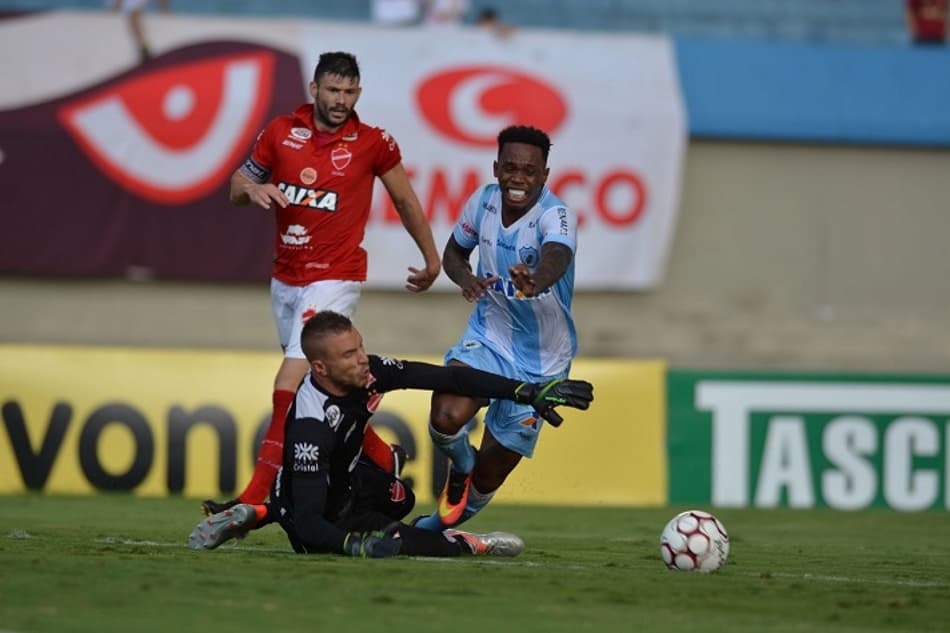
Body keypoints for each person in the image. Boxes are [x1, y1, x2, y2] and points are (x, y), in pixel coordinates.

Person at [201, 51, 441, 516]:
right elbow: (234, 187)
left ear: (359, 93)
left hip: (336, 277)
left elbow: (405, 199)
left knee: (287, 385)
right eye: (333, 90)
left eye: (350, 92)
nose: (341, 100)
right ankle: (381, 455)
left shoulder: (373, 142)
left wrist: (431, 260)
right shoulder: (279, 133)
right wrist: (252, 190)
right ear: (314, 89)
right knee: (315, 383)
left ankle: (253, 501)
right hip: (285, 279)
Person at [188, 311, 593, 557]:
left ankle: (257, 515)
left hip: (349, 480)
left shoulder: (367, 372)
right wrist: (353, 544)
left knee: (404, 499)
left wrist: (525, 391)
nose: (363, 359)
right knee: (408, 545)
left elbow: (446, 375)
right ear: (320, 369)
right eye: (349, 355)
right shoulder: (311, 428)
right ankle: (469, 543)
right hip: (324, 514)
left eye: (360, 347)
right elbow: (311, 521)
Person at [413, 125, 580, 532]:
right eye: (509, 168)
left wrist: (537, 280)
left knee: (489, 478)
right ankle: (461, 463)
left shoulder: (556, 215)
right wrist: (465, 279)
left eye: (528, 170)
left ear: (544, 175)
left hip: (542, 361)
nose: (517, 178)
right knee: (446, 416)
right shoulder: (483, 202)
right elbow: (455, 253)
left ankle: (431, 531)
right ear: (496, 168)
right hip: (490, 337)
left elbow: (556, 255)